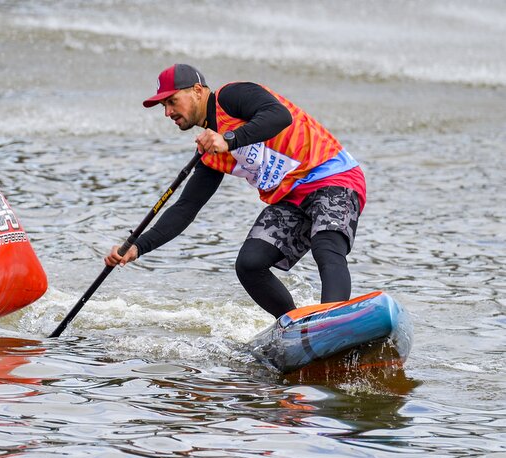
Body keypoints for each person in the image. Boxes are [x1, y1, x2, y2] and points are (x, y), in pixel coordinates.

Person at [105, 63, 366, 319]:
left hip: (333, 175)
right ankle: (296, 326)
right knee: (250, 264)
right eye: (164, 106)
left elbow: (279, 115)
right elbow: (185, 208)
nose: (168, 112)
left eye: (172, 101)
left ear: (197, 90)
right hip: (291, 199)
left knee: (326, 246)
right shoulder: (210, 153)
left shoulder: (231, 96)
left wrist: (229, 139)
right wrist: (138, 247)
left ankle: (335, 319)